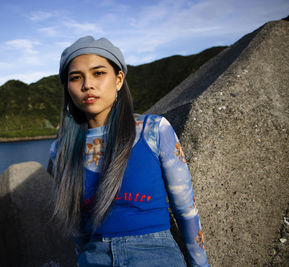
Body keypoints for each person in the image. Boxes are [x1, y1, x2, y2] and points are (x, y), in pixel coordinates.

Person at [48, 36, 209, 267]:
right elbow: (78, 230)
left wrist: (200, 264)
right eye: (76, 78)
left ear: (118, 79)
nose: (87, 85)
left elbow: (186, 211)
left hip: (155, 255)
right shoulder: (61, 150)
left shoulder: (154, 130)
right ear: (68, 88)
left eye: (99, 73)